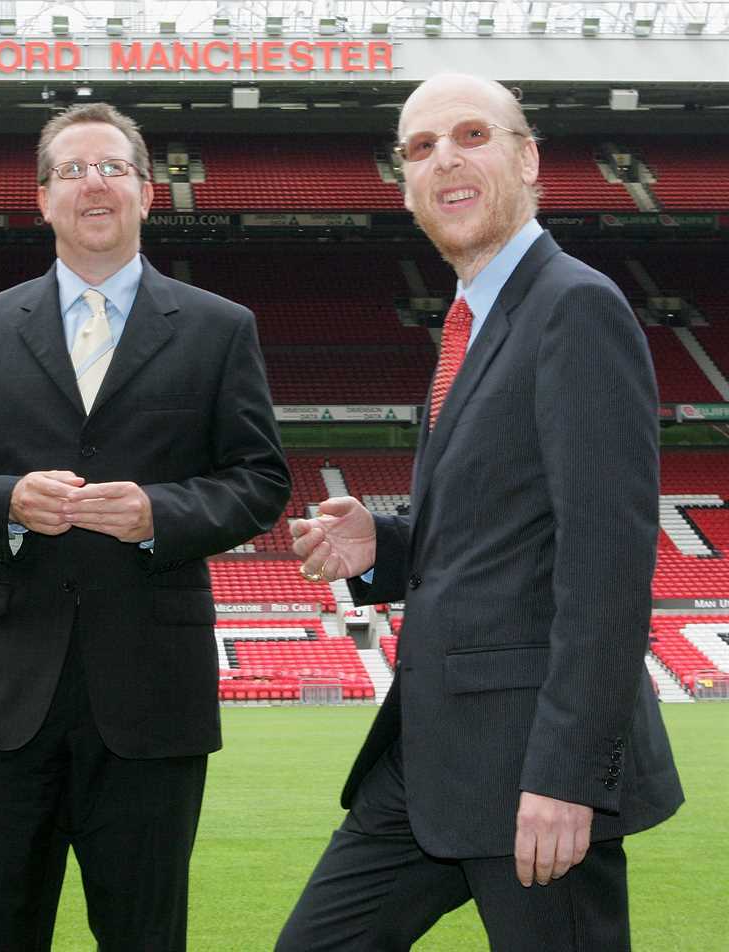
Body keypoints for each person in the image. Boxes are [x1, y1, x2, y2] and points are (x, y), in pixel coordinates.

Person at [277, 74, 683, 951]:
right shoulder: (475, 315)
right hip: (434, 753)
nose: (445, 161)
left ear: (528, 157)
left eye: (471, 135)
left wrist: (570, 774)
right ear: (405, 183)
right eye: (420, 149)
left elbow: (607, 562)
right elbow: (494, 536)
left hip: (533, 762)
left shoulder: (573, 306)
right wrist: (380, 545)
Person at [0, 102, 290, 951]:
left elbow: (261, 480)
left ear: (147, 193)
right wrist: (7, 500)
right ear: (41, 198)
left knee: (144, 935)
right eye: (74, 169)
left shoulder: (219, 327)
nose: (95, 183)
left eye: (113, 167)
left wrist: (162, 513)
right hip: (10, 699)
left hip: (153, 697)